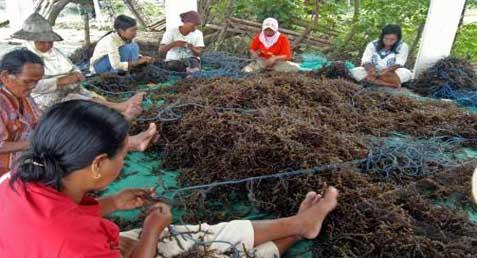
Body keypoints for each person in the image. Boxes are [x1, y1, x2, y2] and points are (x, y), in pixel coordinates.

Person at [0, 99, 339, 258]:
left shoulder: (14, 179)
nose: (128, 156)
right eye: (125, 152)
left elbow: (55, 217)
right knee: (218, 255)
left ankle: (300, 223)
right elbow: (66, 237)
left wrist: (113, 203)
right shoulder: (72, 243)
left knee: (198, 234)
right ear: (98, 164)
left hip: (75, 245)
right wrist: (150, 231)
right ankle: (299, 231)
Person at [0, 49, 157, 176]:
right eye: (28, 81)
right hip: (12, 164)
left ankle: (128, 140)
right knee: (73, 145)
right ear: (6, 76)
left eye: (37, 81)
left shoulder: (24, 97)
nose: (33, 87)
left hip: (33, 146)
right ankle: (130, 143)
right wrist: (40, 143)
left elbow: (38, 122)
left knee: (76, 130)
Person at [12, 13, 145, 117]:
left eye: (50, 42)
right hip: (43, 98)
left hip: (68, 89)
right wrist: (60, 81)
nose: (47, 45)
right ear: (30, 41)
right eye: (42, 42)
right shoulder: (24, 58)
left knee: (89, 96)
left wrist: (76, 74)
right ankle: (119, 109)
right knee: (77, 99)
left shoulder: (55, 52)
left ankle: (117, 108)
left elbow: (71, 67)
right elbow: (30, 86)